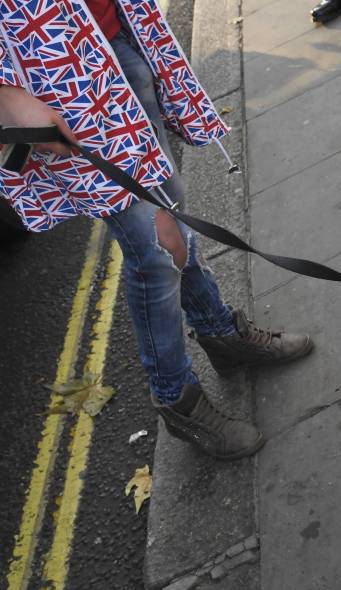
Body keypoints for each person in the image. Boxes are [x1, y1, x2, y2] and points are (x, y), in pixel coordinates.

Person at [0, 0, 313, 460]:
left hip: (121, 37)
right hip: (55, 76)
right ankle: (176, 397)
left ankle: (220, 333)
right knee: (156, 249)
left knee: (174, 213)